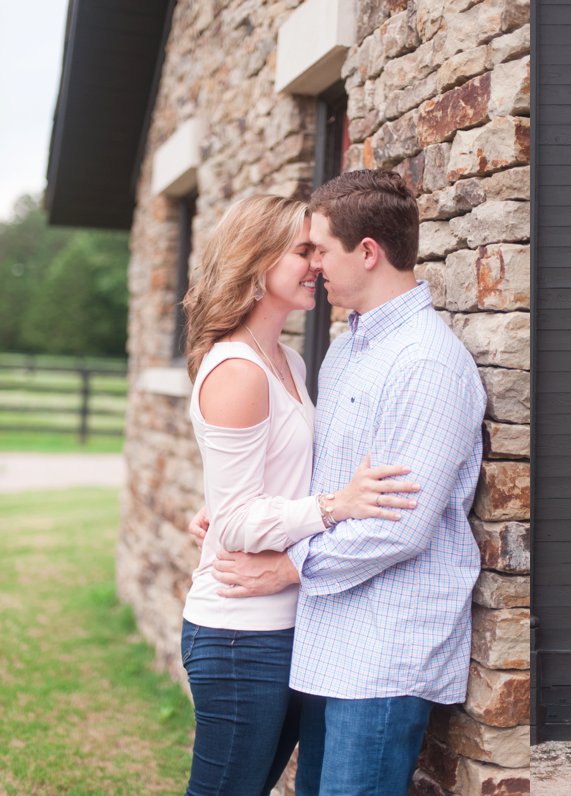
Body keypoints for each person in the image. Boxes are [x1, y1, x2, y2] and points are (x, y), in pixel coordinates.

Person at [210, 170, 487, 796]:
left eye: (320, 250)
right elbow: (323, 479)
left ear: (367, 252)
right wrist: (248, 513)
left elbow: (403, 527)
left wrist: (291, 567)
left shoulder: (427, 363)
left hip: (384, 656)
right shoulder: (347, 349)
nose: (312, 266)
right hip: (330, 645)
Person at [180, 194, 419, 795]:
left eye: (319, 249)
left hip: (291, 627)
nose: (317, 262)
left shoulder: (288, 360)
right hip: (240, 633)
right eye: (302, 251)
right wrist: (336, 505)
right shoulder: (237, 370)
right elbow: (238, 522)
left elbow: (258, 490)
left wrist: (227, 509)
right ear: (258, 263)